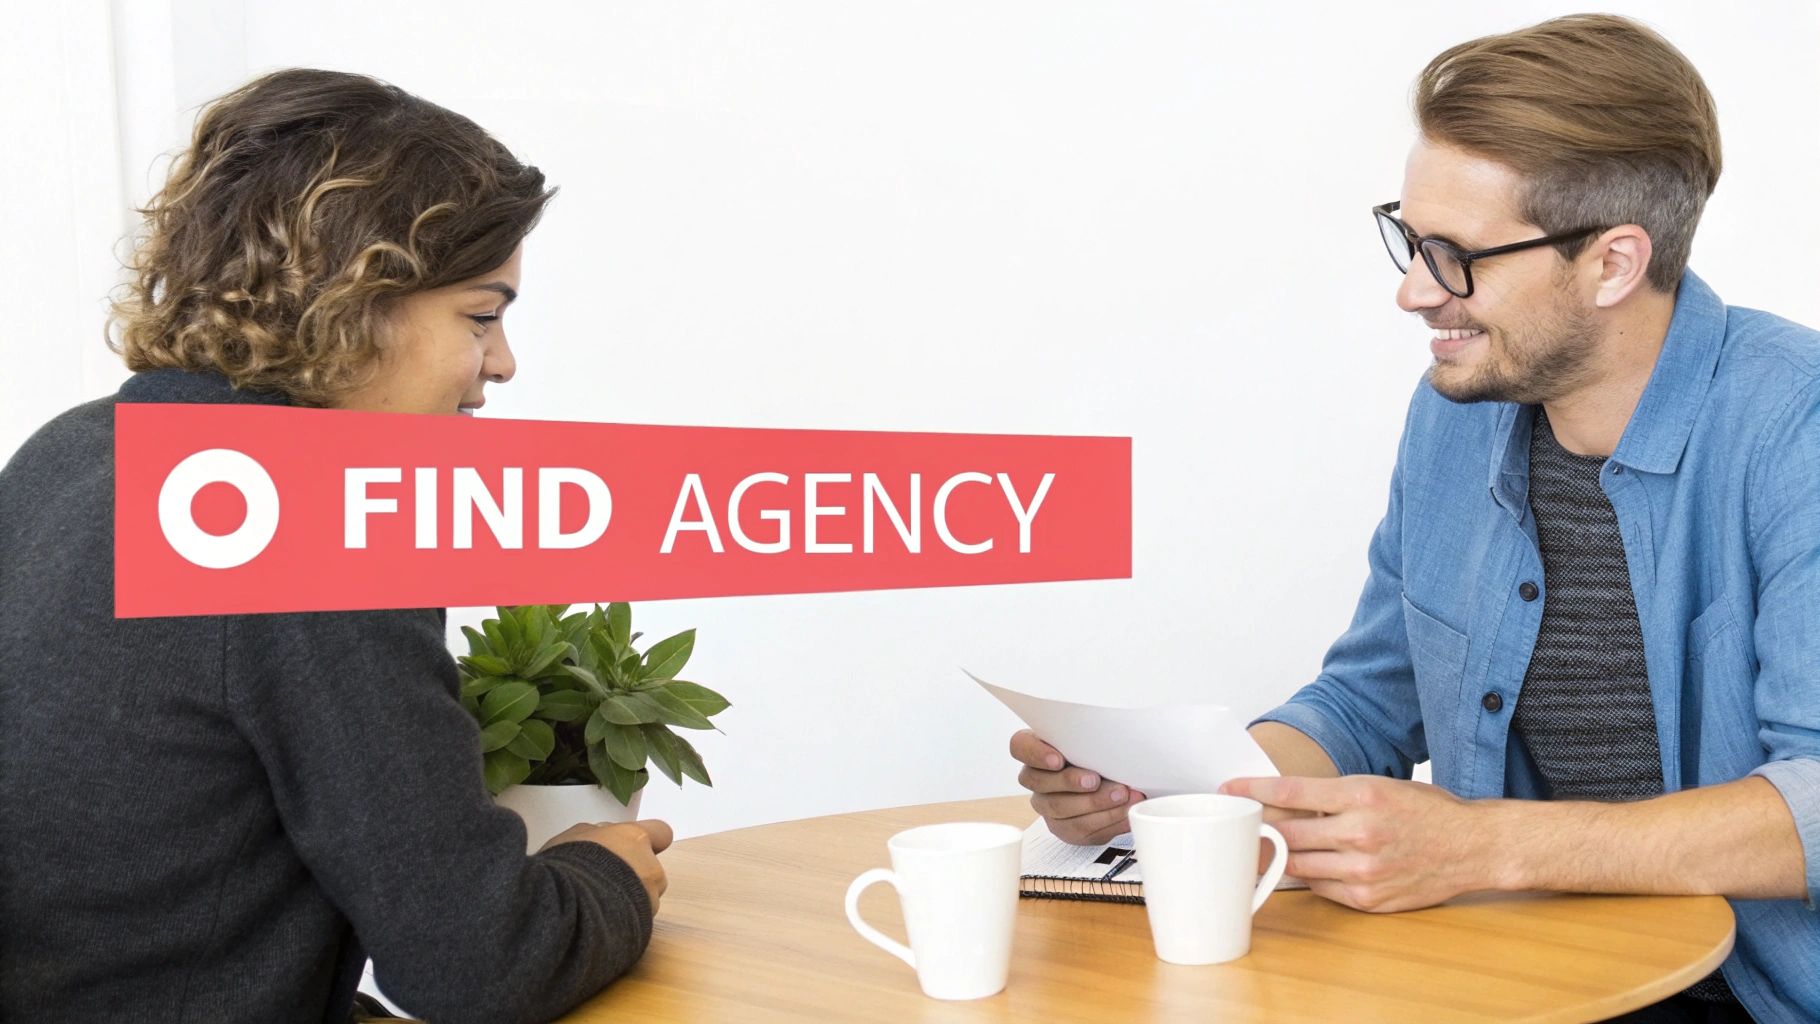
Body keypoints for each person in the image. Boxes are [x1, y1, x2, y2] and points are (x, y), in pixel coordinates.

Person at [1011, 15, 1816, 1023]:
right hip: (1523, 971)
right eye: (1408, 238)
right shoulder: (1454, 417)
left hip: (1754, 993)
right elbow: (1362, 706)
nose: (1409, 291)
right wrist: (1183, 799)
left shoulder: (1796, 426)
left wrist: (1484, 844)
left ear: (1611, 264)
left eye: (1454, 256)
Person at [0, 68, 670, 1024]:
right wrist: (603, 876)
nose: (502, 364)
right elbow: (480, 966)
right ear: (354, 299)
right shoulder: (299, 525)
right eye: (481, 316)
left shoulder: (67, 451)